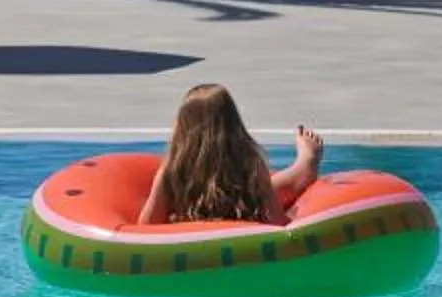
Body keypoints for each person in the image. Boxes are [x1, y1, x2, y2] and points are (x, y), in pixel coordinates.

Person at [137, 83, 323, 225]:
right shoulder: (250, 165)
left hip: (198, 245)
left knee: (269, 188)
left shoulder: (171, 172)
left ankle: (304, 165)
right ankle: (304, 165)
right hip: (240, 225)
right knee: (273, 189)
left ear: (182, 130)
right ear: (234, 126)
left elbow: (144, 227)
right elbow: (279, 224)